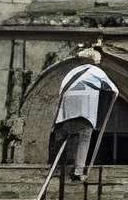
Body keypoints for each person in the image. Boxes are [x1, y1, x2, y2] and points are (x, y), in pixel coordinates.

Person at [49, 45, 117, 181]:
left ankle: (57, 166)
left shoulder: (71, 72)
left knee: (65, 135)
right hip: (85, 110)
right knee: (84, 137)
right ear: (94, 61)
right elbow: (112, 88)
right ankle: (78, 170)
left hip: (66, 111)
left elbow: (61, 90)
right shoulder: (96, 71)